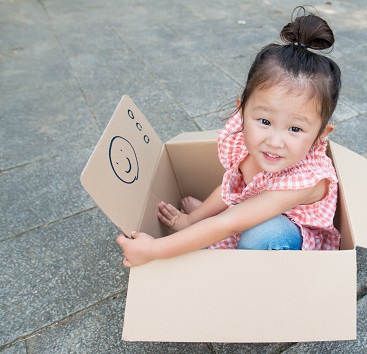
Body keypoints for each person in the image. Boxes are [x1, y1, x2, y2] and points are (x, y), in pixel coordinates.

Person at [117, 6, 342, 267]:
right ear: (242, 111)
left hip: (291, 244)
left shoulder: (307, 180)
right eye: (265, 121)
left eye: (295, 129)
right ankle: (206, 231)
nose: (274, 141)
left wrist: (155, 250)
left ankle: (241, 272)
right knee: (240, 218)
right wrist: (192, 219)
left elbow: (229, 222)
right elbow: (231, 187)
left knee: (265, 231)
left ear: (320, 135)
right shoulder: (257, 148)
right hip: (250, 216)